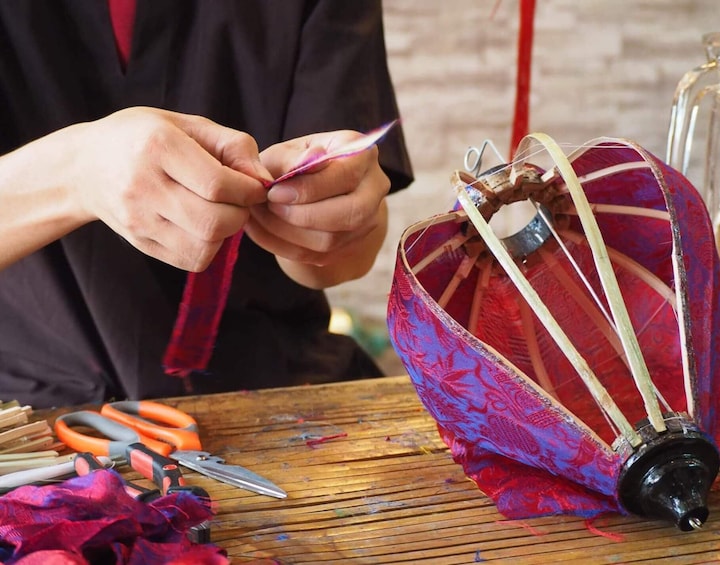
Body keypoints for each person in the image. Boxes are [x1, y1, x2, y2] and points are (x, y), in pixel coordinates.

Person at [0, 1, 413, 408]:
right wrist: (78, 171)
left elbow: (344, 256)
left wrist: (331, 222)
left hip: (273, 391)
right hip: (30, 416)